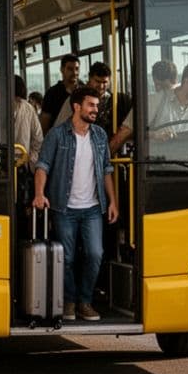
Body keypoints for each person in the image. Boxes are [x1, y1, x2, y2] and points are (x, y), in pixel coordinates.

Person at [33, 85, 119, 322]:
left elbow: (106, 171)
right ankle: (70, 300)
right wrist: (39, 194)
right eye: (91, 105)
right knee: (67, 258)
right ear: (76, 106)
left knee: (95, 254)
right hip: (64, 207)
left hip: (93, 207)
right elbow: (43, 166)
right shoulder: (57, 135)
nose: (95, 110)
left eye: (97, 106)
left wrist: (113, 202)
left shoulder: (100, 135)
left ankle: (85, 301)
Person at [39, 54, 82, 133]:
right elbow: (44, 123)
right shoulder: (52, 93)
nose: (74, 72)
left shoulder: (83, 90)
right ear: (62, 69)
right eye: (70, 69)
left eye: (77, 69)